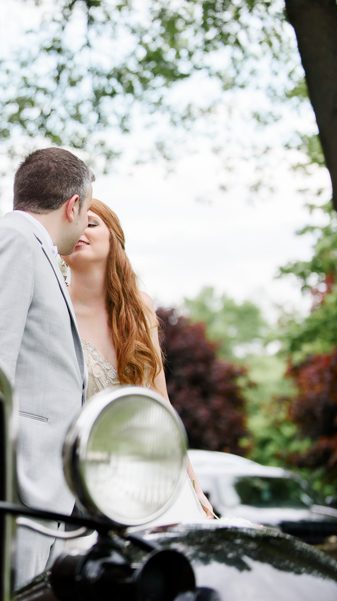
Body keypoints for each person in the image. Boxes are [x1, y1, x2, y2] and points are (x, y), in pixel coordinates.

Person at [0, 147, 94, 587]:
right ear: (73, 206)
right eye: (86, 212)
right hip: (13, 489)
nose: (85, 224)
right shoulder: (12, 242)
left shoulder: (25, 244)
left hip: (38, 492)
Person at [61, 198, 216, 522]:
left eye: (91, 224)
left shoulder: (139, 308)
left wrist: (191, 480)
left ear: (114, 238)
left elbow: (160, 401)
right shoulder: (56, 309)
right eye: (73, 225)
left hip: (151, 473)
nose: (80, 232)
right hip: (88, 480)